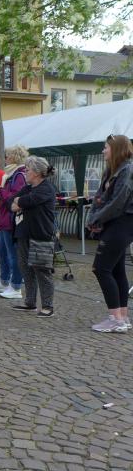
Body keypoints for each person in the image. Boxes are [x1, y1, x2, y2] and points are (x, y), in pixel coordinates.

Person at [87, 134, 133, 332]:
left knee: (101, 269)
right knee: (116, 269)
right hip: (114, 224)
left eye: (106, 147)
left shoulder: (127, 170)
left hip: (122, 224)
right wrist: (93, 218)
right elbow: (100, 197)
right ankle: (122, 316)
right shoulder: (112, 170)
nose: (103, 150)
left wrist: (96, 219)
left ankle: (115, 319)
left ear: (116, 149)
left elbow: (118, 203)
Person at [11, 156, 57, 317]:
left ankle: (48, 306)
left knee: (42, 270)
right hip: (23, 233)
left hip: (41, 235)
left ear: (36, 172)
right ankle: (30, 302)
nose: (25, 173)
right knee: (25, 268)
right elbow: (12, 203)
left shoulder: (47, 188)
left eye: (27, 170)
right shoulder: (28, 188)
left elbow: (28, 201)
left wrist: (20, 202)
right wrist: (19, 201)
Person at [0, 145, 28, 298]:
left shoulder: (19, 175)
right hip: (5, 217)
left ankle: (16, 287)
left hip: (11, 219)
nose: (5, 159)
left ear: (14, 157)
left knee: (13, 255)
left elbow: (14, 197)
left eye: (7, 156)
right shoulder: (12, 173)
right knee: (3, 252)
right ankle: (4, 281)